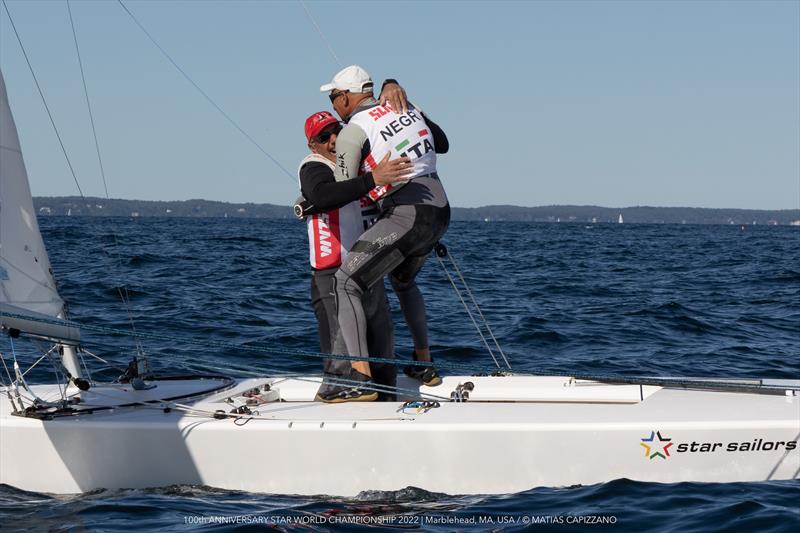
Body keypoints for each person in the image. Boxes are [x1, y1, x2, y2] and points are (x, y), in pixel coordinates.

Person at [320, 65, 450, 401]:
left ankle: (361, 379)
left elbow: (345, 187)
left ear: (347, 96)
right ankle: (424, 363)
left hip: (405, 214)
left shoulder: (353, 130)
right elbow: (443, 143)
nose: (334, 106)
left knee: (346, 282)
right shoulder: (404, 104)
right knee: (403, 282)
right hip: (440, 211)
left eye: (334, 98)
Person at [298, 109, 413, 402]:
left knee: (382, 343)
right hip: (332, 274)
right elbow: (323, 196)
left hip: (365, 269)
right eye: (324, 137)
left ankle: (386, 394)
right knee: (342, 354)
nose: (334, 139)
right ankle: (337, 396)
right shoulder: (313, 166)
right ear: (313, 145)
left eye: (337, 130)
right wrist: (372, 179)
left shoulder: (357, 164)